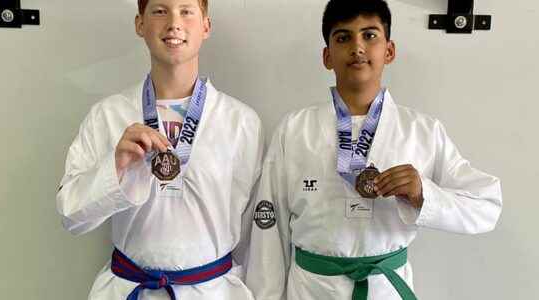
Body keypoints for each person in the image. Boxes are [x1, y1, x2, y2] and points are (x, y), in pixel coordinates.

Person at [245, 0, 502, 299]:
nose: (357, 47)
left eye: (370, 35)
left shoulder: (421, 130)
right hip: (313, 289)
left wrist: (424, 195)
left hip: (386, 288)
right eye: (343, 38)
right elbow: (269, 229)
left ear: (389, 51)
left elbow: (486, 205)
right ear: (327, 56)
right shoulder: (294, 129)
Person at [56, 0, 263, 299]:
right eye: (160, 10)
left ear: (206, 25)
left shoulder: (242, 122)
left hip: (213, 290)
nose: (174, 23)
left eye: (186, 11)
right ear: (140, 23)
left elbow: (254, 229)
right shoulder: (108, 115)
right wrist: (114, 167)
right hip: (129, 288)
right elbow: (71, 217)